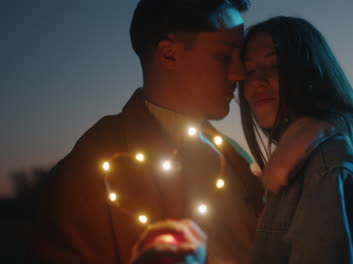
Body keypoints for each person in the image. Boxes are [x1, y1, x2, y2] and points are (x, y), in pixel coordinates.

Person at [134, 16, 353, 263]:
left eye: (274, 65)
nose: (256, 80)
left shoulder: (327, 166)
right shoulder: (310, 158)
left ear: (310, 73)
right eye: (249, 69)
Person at [31, 1, 264, 263]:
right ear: (168, 54)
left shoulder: (233, 156)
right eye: (224, 56)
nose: (240, 72)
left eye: (240, 56)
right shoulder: (94, 164)